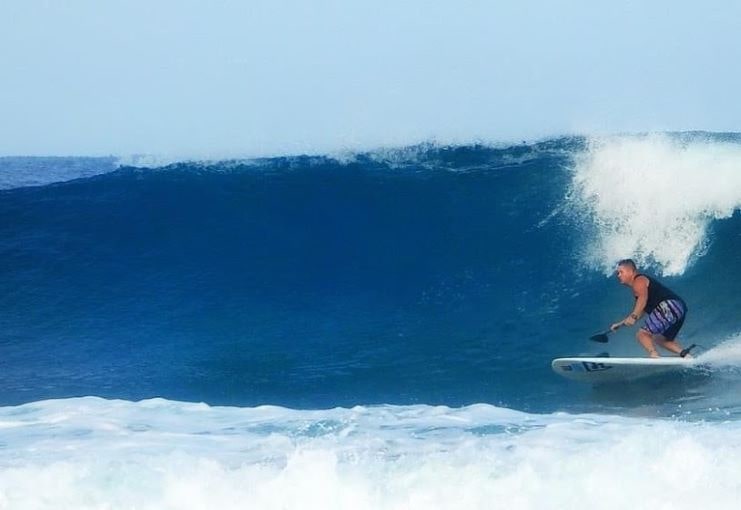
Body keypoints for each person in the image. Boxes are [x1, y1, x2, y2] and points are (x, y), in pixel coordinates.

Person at [611, 259, 689, 358]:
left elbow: (643, 299)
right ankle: (686, 356)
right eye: (618, 273)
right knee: (661, 340)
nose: (618, 275)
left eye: (621, 272)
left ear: (631, 271)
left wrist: (633, 317)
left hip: (669, 305)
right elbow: (641, 309)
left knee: (642, 334)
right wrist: (620, 324)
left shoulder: (639, 280)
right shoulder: (639, 287)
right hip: (679, 307)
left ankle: (654, 355)